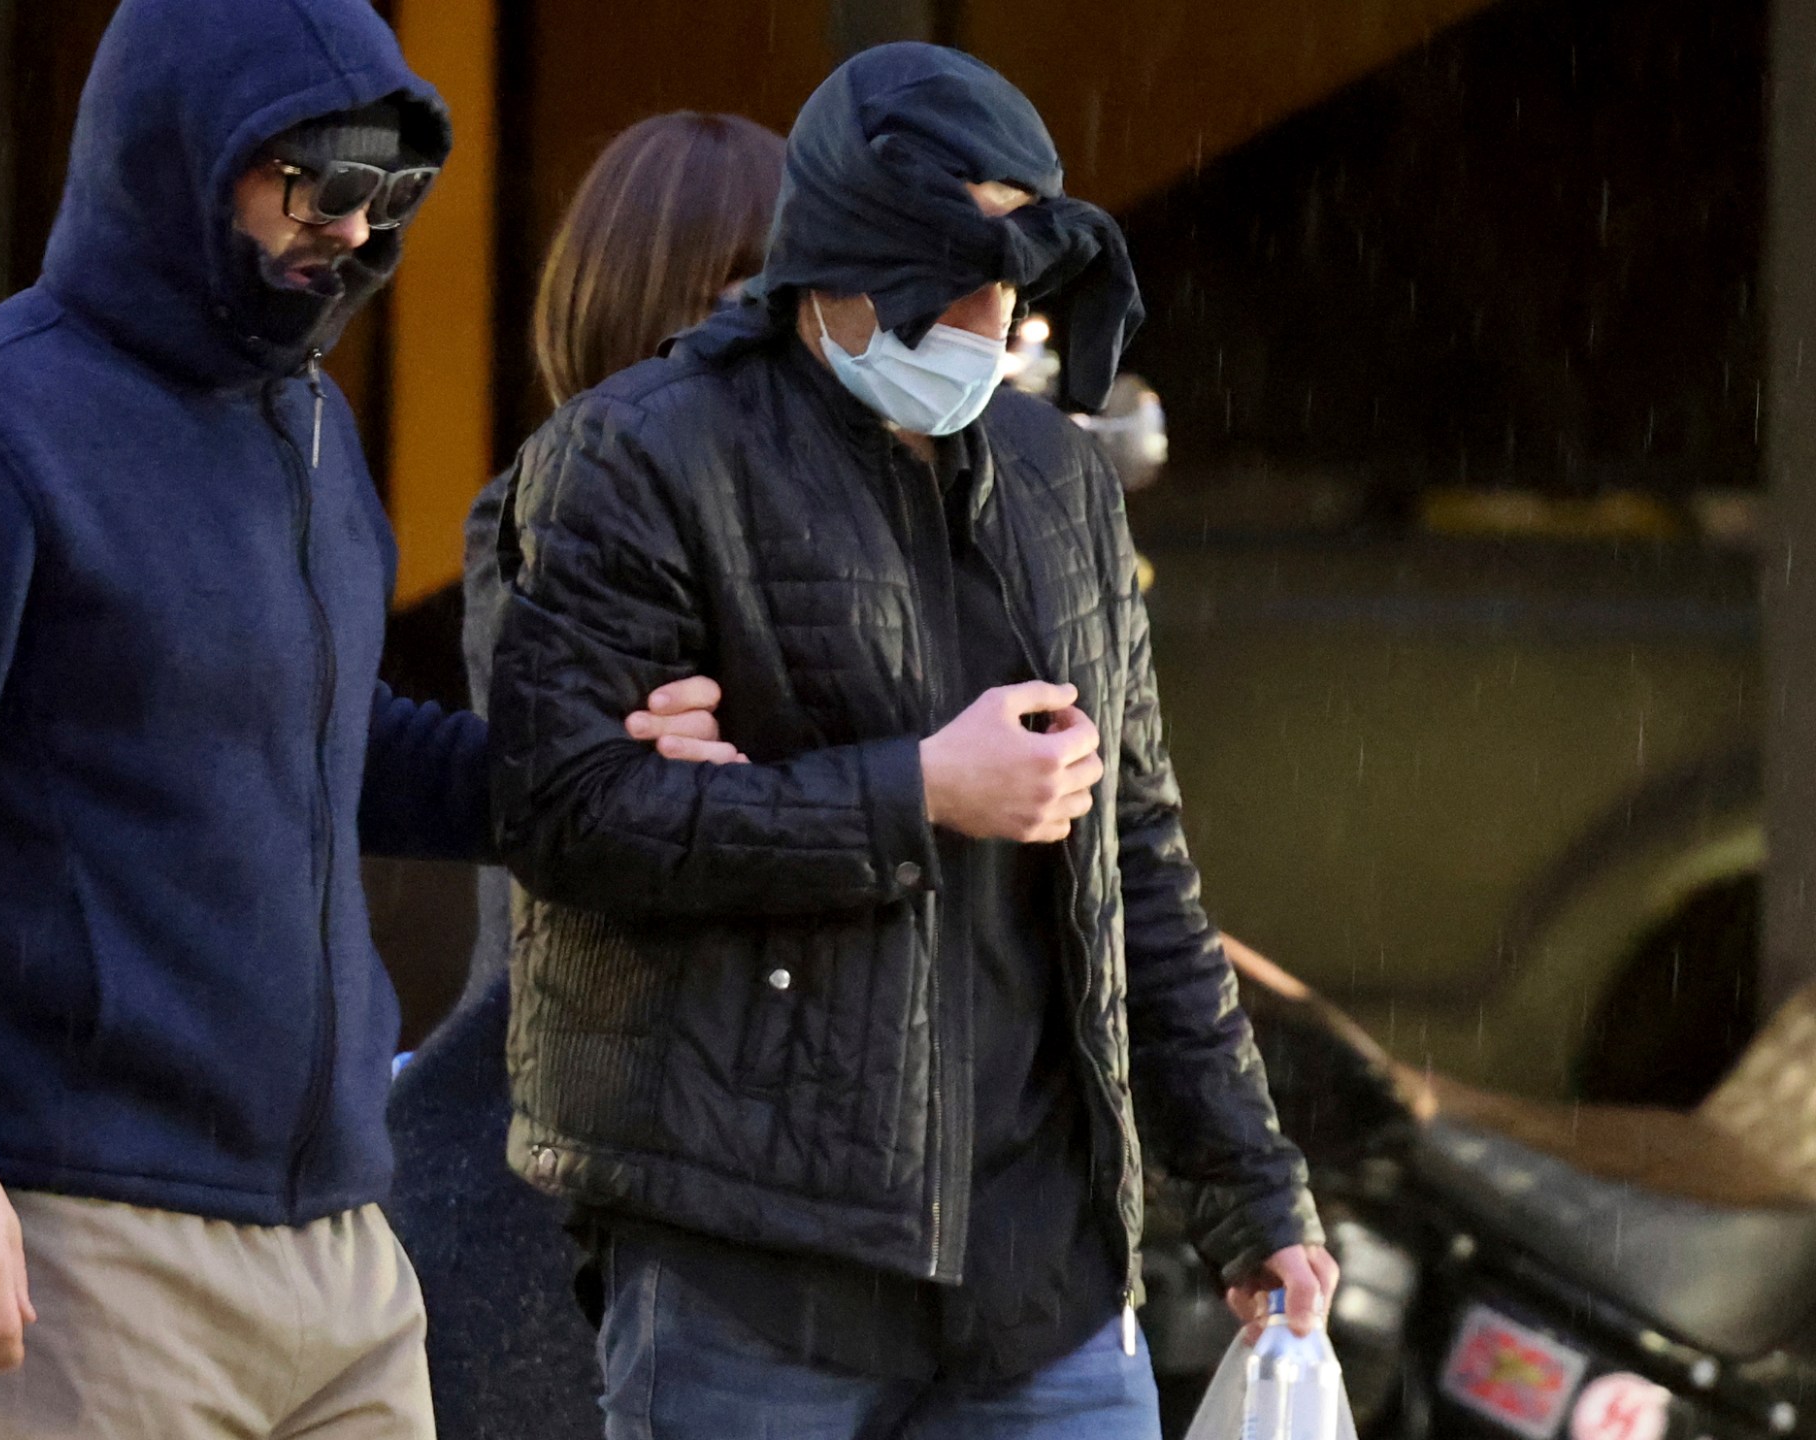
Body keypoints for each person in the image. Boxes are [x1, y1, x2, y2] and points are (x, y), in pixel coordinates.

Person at [0, 0, 725, 1434]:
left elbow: (345, 749)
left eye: (389, 194)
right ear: (184, 156)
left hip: (340, 1253)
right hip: (80, 1244)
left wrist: (589, 771)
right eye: (316, 181)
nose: (354, 229)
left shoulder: (308, 432)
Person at [487, 44, 1338, 1440]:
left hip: (1041, 1281)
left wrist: (1247, 1187)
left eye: (1013, 281)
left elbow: (1138, 856)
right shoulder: (641, 455)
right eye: (947, 275)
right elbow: (564, 817)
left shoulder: (1061, 479)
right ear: (835, 257)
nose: (985, 318)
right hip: (753, 1272)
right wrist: (917, 790)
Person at [385, 111, 783, 1440]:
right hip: (537, 1206)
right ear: (638, 308)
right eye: (738, 296)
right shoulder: (546, 511)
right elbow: (645, 796)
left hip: (759, 1207)